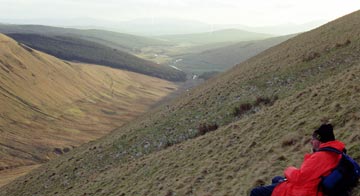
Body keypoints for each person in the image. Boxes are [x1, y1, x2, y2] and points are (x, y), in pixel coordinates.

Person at [250, 124, 345, 196]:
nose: (311, 141)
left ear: (320, 141)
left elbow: (299, 178)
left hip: (306, 191)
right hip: (315, 186)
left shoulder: (320, 157)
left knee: (256, 192)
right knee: (276, 179)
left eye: (314, 139)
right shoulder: (337, 152)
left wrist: (288, 169)